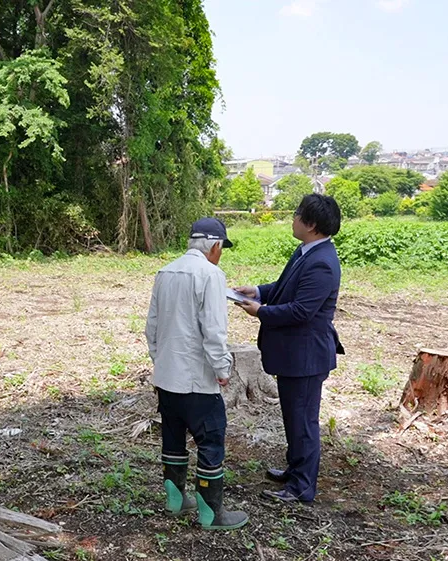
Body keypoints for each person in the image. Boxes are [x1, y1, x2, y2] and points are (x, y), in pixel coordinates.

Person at [233, 194, 345, 504]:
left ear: (310, 224)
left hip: (307, 356)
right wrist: (257, 291)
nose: (292, 219)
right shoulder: (306, 252)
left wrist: (260, 311)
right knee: (294, 418)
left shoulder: (322, 262)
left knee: (304, 422)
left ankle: (301, 487)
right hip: (295, 355)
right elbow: (283, 290)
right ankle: (295, 469)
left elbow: (300, 311)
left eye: (297, 215)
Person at [145, 217, 249, 530]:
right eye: (222, 249)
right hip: (197, 380)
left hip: (167, 378)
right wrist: (222, 368)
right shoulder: (211, 274)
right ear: (215, 246)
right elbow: (214, 331)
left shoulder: (165, 272)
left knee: (173, 438)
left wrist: (160, 359)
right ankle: (210, 513)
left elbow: (152, 326)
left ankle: (176, 500)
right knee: (211, 440)